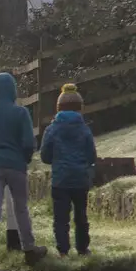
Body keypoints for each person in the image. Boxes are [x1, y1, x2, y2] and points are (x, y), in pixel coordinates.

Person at [0, 72, 49, 271]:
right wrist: (24, 159)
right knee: (21, 208)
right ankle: (29, 251)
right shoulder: (21, 113)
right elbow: (27, 143)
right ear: (13, 90)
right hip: (16, 166)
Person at [39, 83, 97, 256]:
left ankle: (63, 249)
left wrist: (55, 161)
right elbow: (91, 155)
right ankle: (82, 248)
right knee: (81, 216)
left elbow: (44, 155)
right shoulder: (84, 129)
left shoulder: (52, 129)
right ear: (80, 108)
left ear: (58, 108)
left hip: (60, 179)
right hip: (80, 178)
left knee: (61, 218)